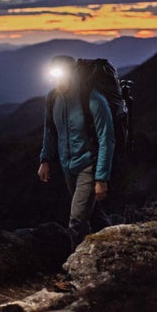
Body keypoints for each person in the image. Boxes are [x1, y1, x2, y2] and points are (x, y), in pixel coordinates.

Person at [38, 55, 114, 251]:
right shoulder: (52, 98)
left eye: (61, 76)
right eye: (53, 76)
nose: (57, 81)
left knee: (77, 221)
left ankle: (76, 269)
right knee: (94, 215)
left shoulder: (93, 99)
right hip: (67, 167)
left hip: (90, 165)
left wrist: (101, 177)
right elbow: (50, 130)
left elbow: (107, 139)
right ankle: (117, 248)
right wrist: (45, 160)